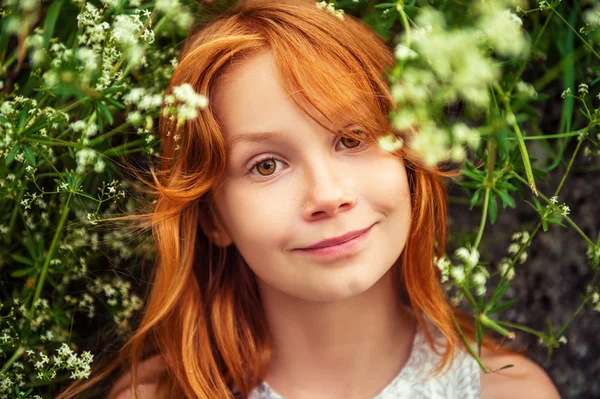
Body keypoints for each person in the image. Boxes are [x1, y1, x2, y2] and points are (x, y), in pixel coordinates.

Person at [57, 0, 561, 398]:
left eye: (353, 138)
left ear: (408, 156)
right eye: (266, 165)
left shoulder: (511, 393)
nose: (327, 196)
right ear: (214, 218)